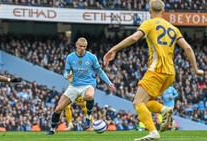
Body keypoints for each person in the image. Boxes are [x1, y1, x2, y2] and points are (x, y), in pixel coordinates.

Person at [103, 0, 204, 140]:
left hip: (157, 70)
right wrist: (195, 68)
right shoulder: (173, 28)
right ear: (163, 12)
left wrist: (114, 49)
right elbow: (187, 47)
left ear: (149, 11)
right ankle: (164, 109)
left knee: (137, 103)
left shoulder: (149, 23)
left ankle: (153, 132)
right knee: (147, 102)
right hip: (170, 73)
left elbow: (134, 37)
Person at [45, 37, 115, 135]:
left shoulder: (91, 57)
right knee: (58, 109)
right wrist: (66, 76)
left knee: (89, 96)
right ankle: (52, 129)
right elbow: (65, 71)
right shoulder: (70, 57)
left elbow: (99, 71)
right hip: (74, 85)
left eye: (84, 47)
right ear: (76, 46)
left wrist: (108, 82)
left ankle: (88, 117)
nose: (82, 48)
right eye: (80, 46)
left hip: (88, 84)